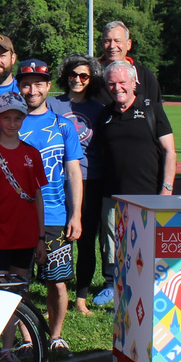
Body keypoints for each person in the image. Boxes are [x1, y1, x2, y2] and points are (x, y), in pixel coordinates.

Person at [6, 59, 82, 353]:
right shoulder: (10, 123)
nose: (32, 89)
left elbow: (73, 172)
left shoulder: (63, 126)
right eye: (26, 83)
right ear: (18, 86)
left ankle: (56, 336)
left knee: (57, 282)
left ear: (48, 86)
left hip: (54, 215)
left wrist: (75, 214)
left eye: (39, 83)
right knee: (18, 282)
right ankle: (27, 340)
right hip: (17, 218)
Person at [93, 61, 176, 307]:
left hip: (147, 195)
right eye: (111, 83)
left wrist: (167, 189)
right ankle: (113, 287)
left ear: (133, 83)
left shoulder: (152, 110)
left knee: (145, 247)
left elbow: (170, 151)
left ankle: (149, 289)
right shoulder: (105, 114)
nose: (117, 88)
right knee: (112, 246)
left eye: (122, 82)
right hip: (113, 195)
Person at [48, 55, 107, 316]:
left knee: (85, 241)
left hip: (89, 181)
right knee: (58, 240)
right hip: (57, 182)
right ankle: (55, 294)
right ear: (65, 76)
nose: (78, 80)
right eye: (73, 74)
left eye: (84, 76)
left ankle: (81, 297)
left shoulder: (99, 108)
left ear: (91, 79)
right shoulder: (52, 104)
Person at [0, 93, 46, 279]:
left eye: (17, 118)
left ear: (24, 118)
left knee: (20, 291)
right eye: (6, 118)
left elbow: (38, 197)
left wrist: (41, 238)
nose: (12, 124)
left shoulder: (32, 153)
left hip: (26, 236)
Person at [99, 20, 164, 113]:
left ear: (128, 44)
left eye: (117, 41)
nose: (112, 46)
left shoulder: (145, 76)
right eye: (107, 41)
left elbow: (157, 114)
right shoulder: (90, 76)